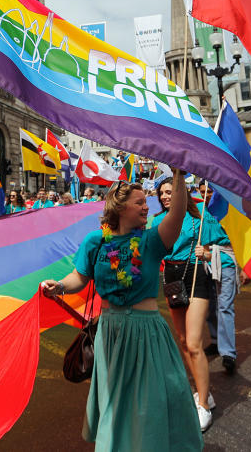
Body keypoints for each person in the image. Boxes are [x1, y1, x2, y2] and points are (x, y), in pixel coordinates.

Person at [41, 173, 205, 447]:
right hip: (111, 331)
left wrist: (178, 175)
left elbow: (176, 214)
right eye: (139, 202)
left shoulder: (152, 240)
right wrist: (58, 286)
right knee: (116, 402)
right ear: (120, 208)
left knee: (149, 401)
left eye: (146, 202)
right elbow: (79, 278)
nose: (146, 207)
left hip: (146, 332)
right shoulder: (97, 242)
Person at [152, 178, 215, 425]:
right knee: (183, 342)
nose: (165, 197)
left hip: (196, 274)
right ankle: (205, 392)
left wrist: (206, 253)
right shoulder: (157, 221)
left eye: (169, 192)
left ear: (181, 193)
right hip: (171, 276)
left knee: (194, 342)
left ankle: (202, 407)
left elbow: (213, 250)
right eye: (162, 194)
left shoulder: (199, 217)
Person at [197, 182, 239, 375]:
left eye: (210, 191)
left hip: (226, 261)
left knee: (224, 306)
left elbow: (240, 237)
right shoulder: (199, 209)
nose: (206, 195)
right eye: (202, 191)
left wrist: (244, 267)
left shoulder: (228, 207)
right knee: (210, 304)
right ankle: (215, 340)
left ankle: (228, 353)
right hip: (205, 261)